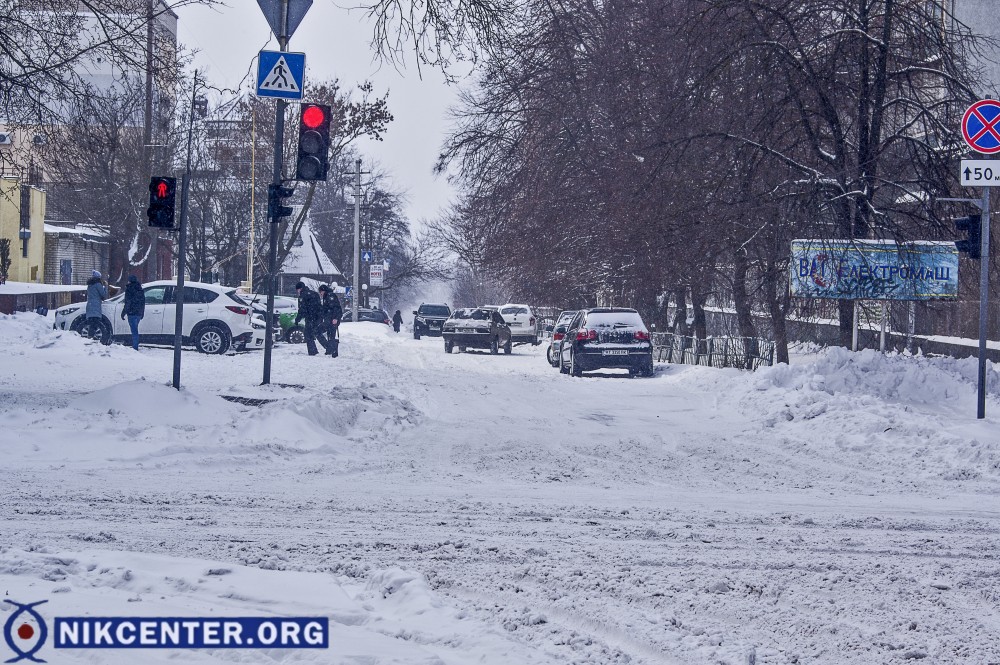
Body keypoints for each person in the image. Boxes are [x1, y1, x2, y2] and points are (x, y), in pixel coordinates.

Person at [294, 281, 323, 356]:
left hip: (309, 318)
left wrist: (297, 319)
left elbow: (302, 309)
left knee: (308, 334)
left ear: (300, 289)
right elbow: (319, 306)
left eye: (297, 290)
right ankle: (328, 347)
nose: (297, 292)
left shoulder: (302, 296)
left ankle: (313, 351)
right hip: (317, 317)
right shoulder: (314, 293)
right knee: (317, 333)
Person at [317, 284, 343, 357]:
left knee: (319, 331)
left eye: (320, 292)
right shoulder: (328, 296)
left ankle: (331, 349)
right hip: (329, 319)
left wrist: (335, 318)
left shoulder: (330, 296)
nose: (320, 294)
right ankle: (331, 350)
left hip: (331, 319)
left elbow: (335, 308)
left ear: (323, 291)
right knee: (330, 335)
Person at [120, 274, 145, 350]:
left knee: (134, 330)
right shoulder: (140, 289)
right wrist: (142, 313)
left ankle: (135, 346)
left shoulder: (129, 289)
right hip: (138, 313)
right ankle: (135, 344)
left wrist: (124, 312)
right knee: (135, 329)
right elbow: (143, 302)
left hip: (131, 312)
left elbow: (128, 302)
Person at [84, 270, 108, 340]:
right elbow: (103, 294)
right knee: (95, 322)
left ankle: (90, 336)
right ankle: (91, 337)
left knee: (92, 322)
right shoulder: (98, 284)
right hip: (96, 305)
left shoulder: (90, 285)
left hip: (90, 305)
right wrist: (105, 286)